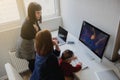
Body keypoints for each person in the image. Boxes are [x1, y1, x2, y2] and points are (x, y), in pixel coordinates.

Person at [16, 2, 42, 72]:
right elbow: (38, 38)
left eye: (40, 12)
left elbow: (39, 31)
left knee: (34, 61)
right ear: (32, 12)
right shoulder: (28, 25)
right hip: (26, 45)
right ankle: (34, 74)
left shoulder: (33, 19)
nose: (40, 14)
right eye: (38, 13)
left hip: (28, 42)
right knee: (32, 62)